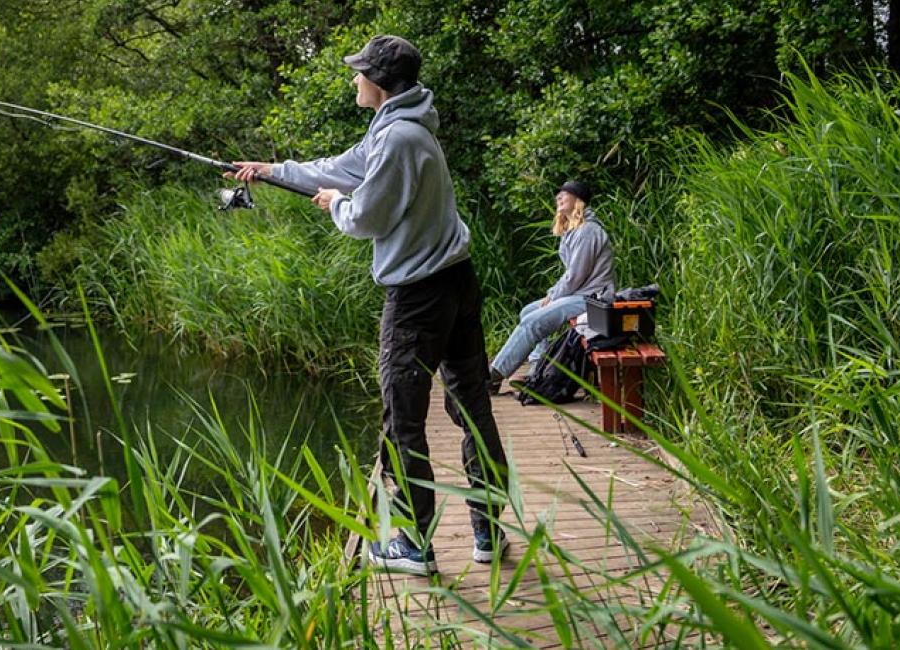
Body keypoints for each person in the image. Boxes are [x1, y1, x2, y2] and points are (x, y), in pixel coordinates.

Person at [228, 35, 509, 573]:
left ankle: (410, 543)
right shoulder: (403, 129)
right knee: (471, 407)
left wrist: (337, 206)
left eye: (360, 73)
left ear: (379, 83)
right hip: (456, 282)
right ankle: (486, 532)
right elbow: (341, 166)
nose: (355, 80)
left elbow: (366, 218)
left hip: (418, 297)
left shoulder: (400, 139)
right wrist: (269, 170)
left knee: (403, 418)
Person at [488, 180, 615, 391]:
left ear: (578, 200)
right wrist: (553, 295)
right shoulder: (573, 231)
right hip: (580, 295)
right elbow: (572, 276)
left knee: (533, 321)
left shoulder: (588, 231)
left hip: (594, 298)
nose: (559, 197)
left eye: (565, 194)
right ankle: (537, 369)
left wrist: (553, 295)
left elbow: (575, 276)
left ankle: (494, 375)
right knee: (529, 311)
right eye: (558, 195)